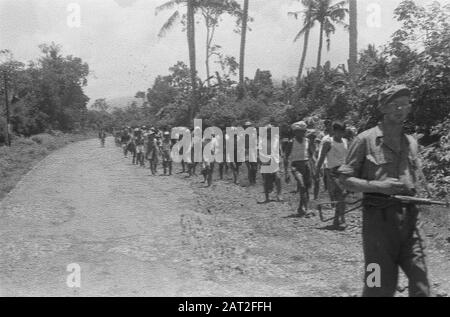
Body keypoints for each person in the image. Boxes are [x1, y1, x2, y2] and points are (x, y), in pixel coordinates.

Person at [338, 85, 430, 297]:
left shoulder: (411, 143)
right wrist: (380, 186)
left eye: (406, 105)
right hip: (377, 224)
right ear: (383, 108)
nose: (402, 110)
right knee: (375, 283)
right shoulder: (364, 140)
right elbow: (344, 180)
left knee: (421, 282)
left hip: (411, 221)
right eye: (396, 105)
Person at [316, 121, 349, 230]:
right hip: (333, 172)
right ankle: (342, 219)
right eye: (338, 131)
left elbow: (347, 157)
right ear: (334, 131)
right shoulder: (328, 142)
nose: (340, 134)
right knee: (341, 194)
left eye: (342, 131)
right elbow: (321, 158)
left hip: (344, 171)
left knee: (342, 196)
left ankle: (336, 219)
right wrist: (317, 172)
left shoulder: (345, 141)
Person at [284, 121, 315, 216]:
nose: (301, 133)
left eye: (303, 131)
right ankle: (306, 209)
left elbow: (311, 155)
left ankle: (301, 208)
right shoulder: (291, 142)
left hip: (306, 165)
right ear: (295, 132)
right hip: (296, 166)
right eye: (299, 131)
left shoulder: (307, 141)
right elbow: (286, 157)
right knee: (302, 186)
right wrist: (286, 173)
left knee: (307, 187)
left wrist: (315, 167)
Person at [259, 124, 282, 203]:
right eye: (268, 131)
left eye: (271, 131)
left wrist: (280, 159)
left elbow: (279, 150)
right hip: (266, 161)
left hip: (275, 161)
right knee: (266, 179)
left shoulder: (276, 139)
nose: (269, 132)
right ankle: (267, 197)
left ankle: (279, 195)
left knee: (278, 178)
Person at [244, 121, 258, 186]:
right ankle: (251, 181)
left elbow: (256, 141)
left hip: (254, 151)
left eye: (249, 126)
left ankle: (254, 180)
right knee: (249, 167)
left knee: (254, 167)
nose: (248, 127)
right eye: (247, 126)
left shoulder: (254, 131)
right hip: (246, 151)